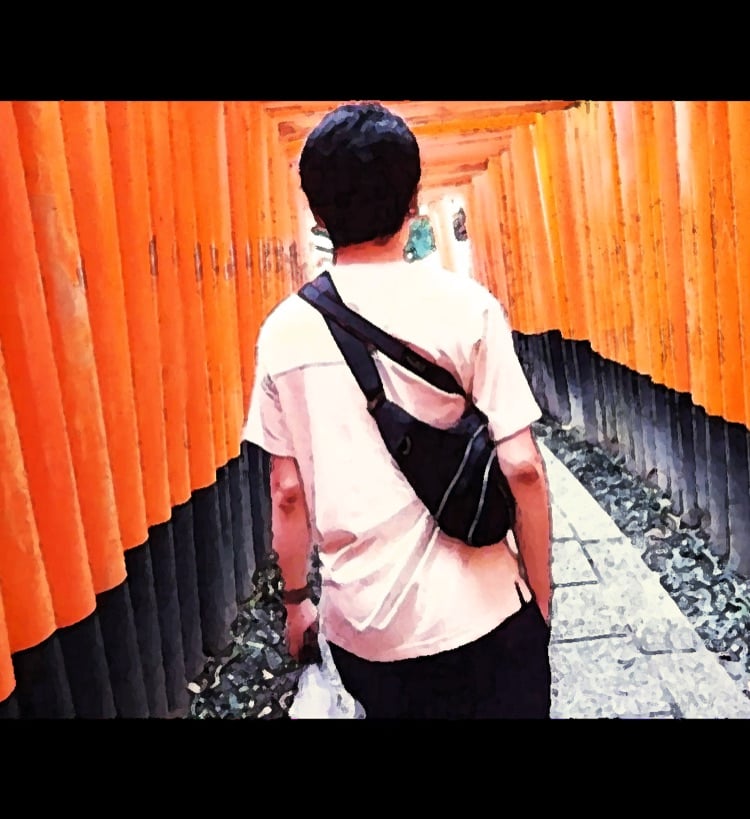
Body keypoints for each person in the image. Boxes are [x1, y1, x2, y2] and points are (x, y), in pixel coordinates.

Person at [242, 101, 553, 719]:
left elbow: (287, 491)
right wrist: (540, 599)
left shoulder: (282, 332)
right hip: (484, 615)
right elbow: (522, 467)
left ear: (318, 213)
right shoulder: (467, 308)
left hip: (366, 634)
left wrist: (298, 602)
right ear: (414, 201)